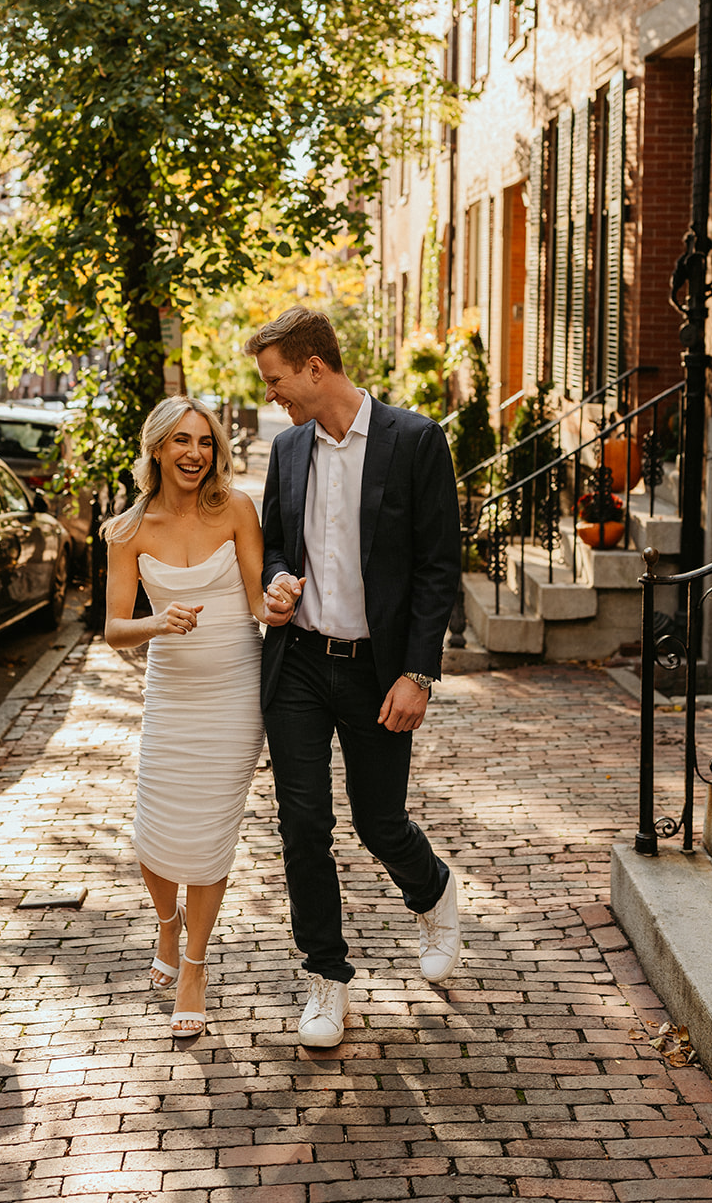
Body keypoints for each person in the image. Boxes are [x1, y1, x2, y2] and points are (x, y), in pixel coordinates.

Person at [244, 306, 462, 1048]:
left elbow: (437, 569)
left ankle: (432, 890)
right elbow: (276, 544)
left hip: (377, 671)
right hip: (299, 664)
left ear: (314, 367)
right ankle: (325, 981)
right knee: (302, 824)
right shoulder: (287, 448)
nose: (272, 395)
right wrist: (277, 581)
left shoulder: (415, 440)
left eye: (277, 381)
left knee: (378, 823)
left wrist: (417, 673)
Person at [103, 395, 268, 1040]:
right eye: (180, 441)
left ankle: (194, 966)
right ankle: (166, 925)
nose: (194, 453)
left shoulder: (237, 511)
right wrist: (155, 621)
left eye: (204, 441)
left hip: (234, 689)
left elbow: (259, 602)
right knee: (155, 825)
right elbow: (115, 627)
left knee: (210, 832)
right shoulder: (128, 530)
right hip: (171, 690)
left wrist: (281, 598)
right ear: (157, 450)